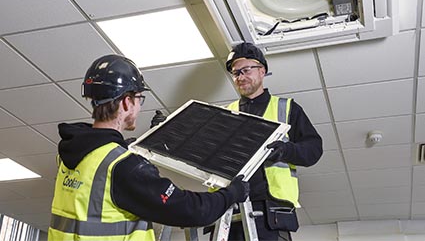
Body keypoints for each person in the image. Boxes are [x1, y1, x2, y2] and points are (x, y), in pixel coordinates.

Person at [47, 54, 250, 240]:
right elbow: (192, 211)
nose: (139, 106)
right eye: (139, 99)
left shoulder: (69, 154)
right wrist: (232, 193)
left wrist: (125, 147)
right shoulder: (124, 167)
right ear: (127, 102)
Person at [220, 42, 323, 241]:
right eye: (236, 73)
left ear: (262, 71)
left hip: (271, 212)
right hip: (230, 211)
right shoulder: (225, 114)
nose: (240, 77)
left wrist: (285, 150)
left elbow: (314, 149)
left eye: (246, 70)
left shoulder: (287, 108)